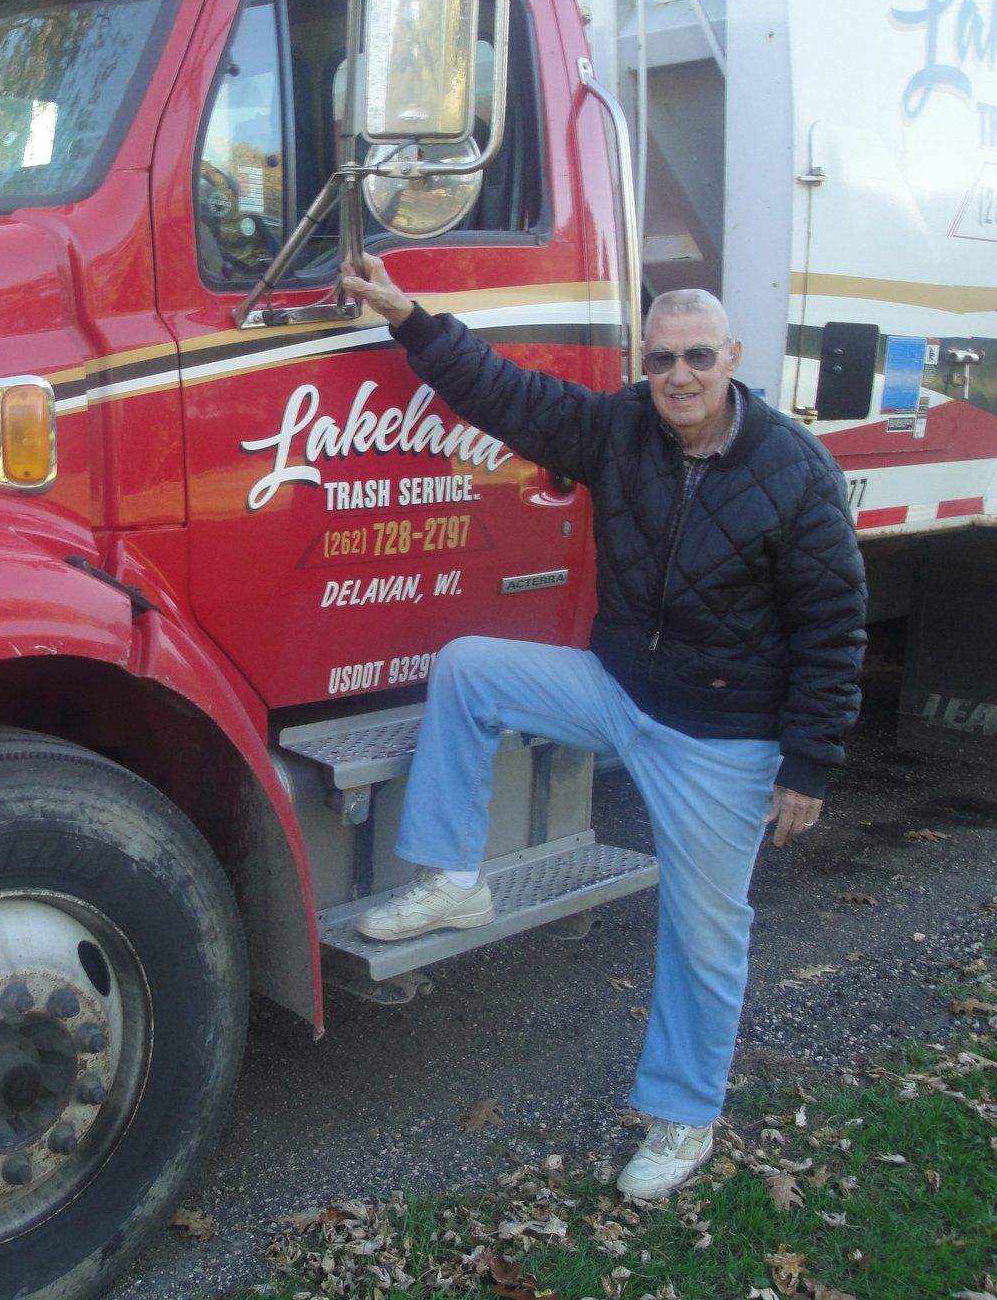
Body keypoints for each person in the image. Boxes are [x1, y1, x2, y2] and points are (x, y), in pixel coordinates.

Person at [338, 254, 866, 1202]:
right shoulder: (621, 428)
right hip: (621, 694)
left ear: (732, 356)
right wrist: (411, 319)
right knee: (469, 667)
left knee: (707, 936)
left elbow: (833, 629)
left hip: (721, 738)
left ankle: (683, 1119)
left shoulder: (794, 472)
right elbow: (502, 393)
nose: (678, 377)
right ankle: (455, 880)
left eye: (698, 357)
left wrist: (809, 766)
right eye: (661, 359)